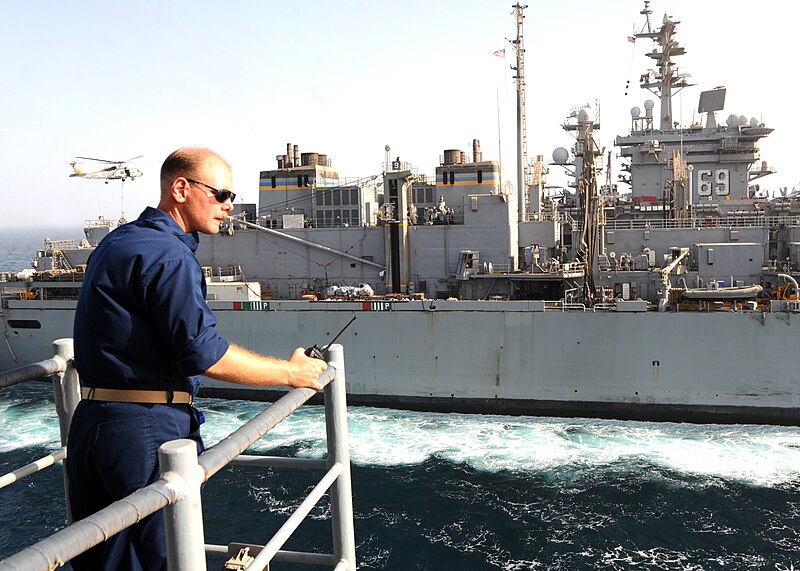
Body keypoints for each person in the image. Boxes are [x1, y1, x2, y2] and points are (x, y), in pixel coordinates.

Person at [65, 147, 327, 571]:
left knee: (100, 560)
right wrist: (291, 372)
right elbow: (202, 353)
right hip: (146, 427)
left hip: (93, 423)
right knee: (163, 558)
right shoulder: (169, 254)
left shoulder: (118, 241)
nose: (229, 207)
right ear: (181, 188)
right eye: (221, 194)